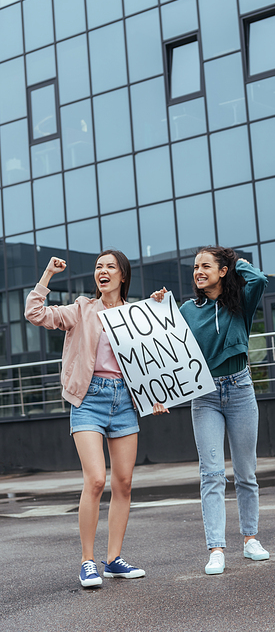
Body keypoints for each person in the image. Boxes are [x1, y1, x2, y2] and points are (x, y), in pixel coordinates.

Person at [25, 252, 148, 588]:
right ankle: (87, 561)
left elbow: (152, 360)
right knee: (95, 479)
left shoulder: (137, 314)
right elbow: (35, 313)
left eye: (110, 267)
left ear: (123, 275)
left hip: (125, 400)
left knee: (123, 483)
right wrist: (48, 274)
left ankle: (114, 560)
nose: (102, 272)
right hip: (89, 399)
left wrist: (157, 395)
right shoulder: (82, 309)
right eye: (98, 267)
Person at [151, 247, 269, 575]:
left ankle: (250, 539)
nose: (198, 271)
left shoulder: (241, 301)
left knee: (247, 473)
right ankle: (216, 548)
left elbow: (258, 278)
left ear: (223, 270)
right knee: (212, 474)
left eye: (206, 266)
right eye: (195, 267)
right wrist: (159, 306)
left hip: (241, 389)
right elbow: (161, 347)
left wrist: (235, 263)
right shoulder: (186, 309)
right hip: (204, 396)